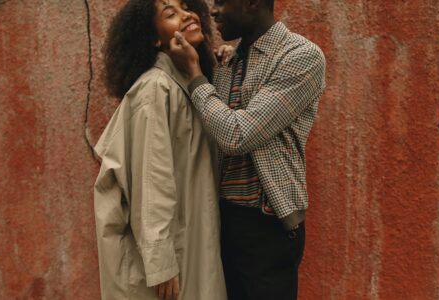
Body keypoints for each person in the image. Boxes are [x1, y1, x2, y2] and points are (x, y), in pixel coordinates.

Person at [169, 0, 326, 298]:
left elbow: (237, 135)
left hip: (265, 227)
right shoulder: (231, 60)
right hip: (220, 219)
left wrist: (194, 74)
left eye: (221, 2)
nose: (212, 11)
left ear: (252, 3)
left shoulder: (301, 56)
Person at [93, 0, 227, 299]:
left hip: (189, 239)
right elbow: (151, 185)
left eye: (185, 7)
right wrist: (161, 262)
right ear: (155, 38)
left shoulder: (186, 83)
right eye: (170, 13)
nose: (186, 15)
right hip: (167, 259)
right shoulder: (156, 89)